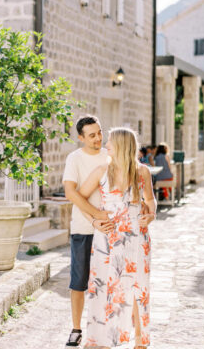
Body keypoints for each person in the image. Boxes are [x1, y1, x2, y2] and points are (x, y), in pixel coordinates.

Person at [78, 127, 156, 348]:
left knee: (138, 288)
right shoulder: (102, 170)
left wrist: (151, 216)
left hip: (137, 237)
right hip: (107, 238)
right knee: (103, 287)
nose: (106, 145)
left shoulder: (142, 172)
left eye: (110, 141)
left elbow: (150, 201)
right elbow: (80, 198)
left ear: (121, 145)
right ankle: (101, 340)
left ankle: (140, 340)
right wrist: (94, 221)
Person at [63, 115, 115, 347]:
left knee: (109, 281)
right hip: (83, 228)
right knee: (79, 281)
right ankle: (76, 329)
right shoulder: (74, 158)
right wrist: (95, 217)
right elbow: (71, 194)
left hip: (110, 229)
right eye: (92, 135)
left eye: (99, 132)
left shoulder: (110, 156)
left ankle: (105, 328)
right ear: (81, 137)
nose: (98, 138)